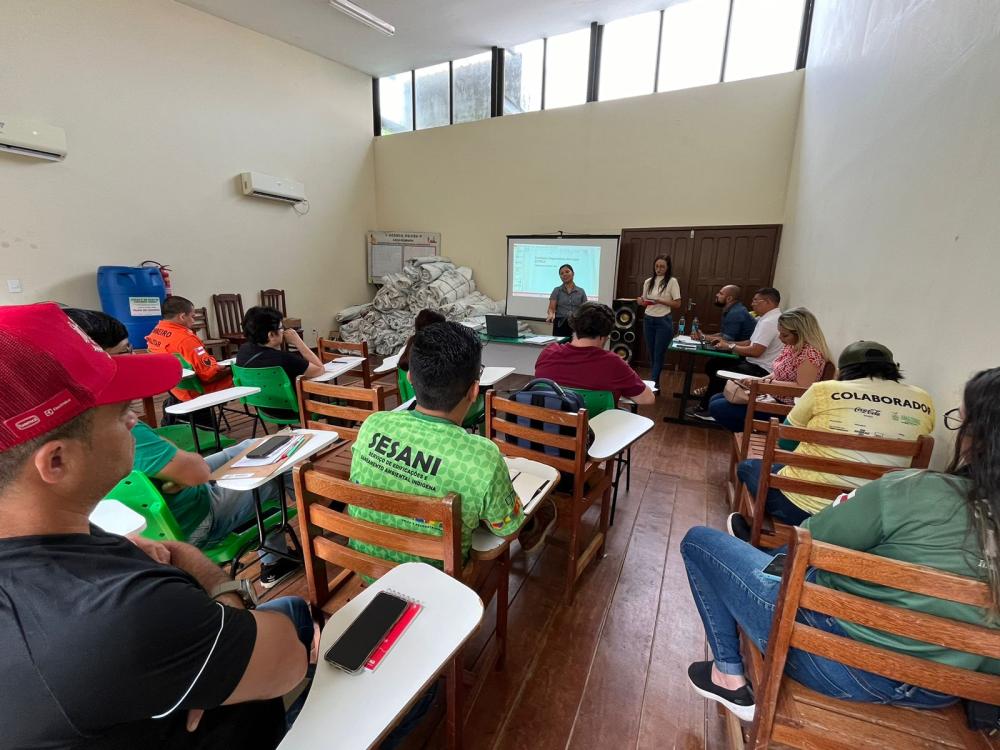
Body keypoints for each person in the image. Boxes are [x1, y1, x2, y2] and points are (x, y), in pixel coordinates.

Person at [0, 303, 313, 749]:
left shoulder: (57, 551)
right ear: (57, 460)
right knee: (299, 620)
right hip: (255, 683)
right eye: (119, 411)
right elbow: (285, 661)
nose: (136, 419)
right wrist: (204, 573)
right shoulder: (122, 612)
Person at [681, 366, 1000, 722]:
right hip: (941, 690)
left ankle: (727, 673)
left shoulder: (915, 490)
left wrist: (842, 509)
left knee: (700, 542)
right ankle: (761, 564)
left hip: (838, 666)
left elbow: (813, 537)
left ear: (979, 437)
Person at [68, 308, 299, 588]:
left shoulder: (68, 429)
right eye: (125, 351)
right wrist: (183, 470)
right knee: (278, 468)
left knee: (257, 445)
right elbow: (196, 472)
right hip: (194, 519)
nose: (134, 357)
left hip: (164, 505)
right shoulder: (117, 428)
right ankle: (276, 560)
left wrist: (175, 474)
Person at [350, 321, 556, 561]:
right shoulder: (482, 457)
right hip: (441, 583)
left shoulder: (373, 425)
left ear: (409, 377)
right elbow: (508, 530)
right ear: (474, 390)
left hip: (367, 566)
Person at [728, 341, 935, 539]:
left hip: (803, 505)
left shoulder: (824, 390)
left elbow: (786, 442)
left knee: (748, 467)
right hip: (873, 517)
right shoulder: (923, 398)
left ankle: (758, 535)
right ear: (893, 369)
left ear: (844, 370)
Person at [705, 307, 831, 430]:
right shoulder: (792, 346)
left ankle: (755, 433)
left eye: (785, 335)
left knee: (718, 407)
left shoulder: (810, 355)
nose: (780, 338)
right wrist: (759, 381)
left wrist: (763, 384)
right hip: (773, 396)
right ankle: (750, 431)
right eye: (780, 333)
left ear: (801, 333)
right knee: (716, 398)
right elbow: (777, 372)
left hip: (785, 408)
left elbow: (801, 388)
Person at [535, 302, 655, 405]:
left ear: (573, 326)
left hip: (550, 427)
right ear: (604, 337)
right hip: (595, 429)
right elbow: (648, 399)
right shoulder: (613, 363)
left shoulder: (548, 352)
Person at [692, 287, 783, 418]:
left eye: (756, 300)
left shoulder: (770, 322)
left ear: (767, 302)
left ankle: (709, 411)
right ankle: (709, 400)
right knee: (714, 364)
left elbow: (756, 351)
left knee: (719, 370)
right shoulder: (765, 319)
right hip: (753, 363)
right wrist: (727, 345)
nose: (752, 304)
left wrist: (731, 346)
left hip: (760, 369)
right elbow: (749, 342)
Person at [236, 305, 324, 421]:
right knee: (339, 401)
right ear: (271, 335)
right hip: (295, 410)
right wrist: (298, 341)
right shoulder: (284, 359)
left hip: (264, 409)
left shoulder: (242, 351)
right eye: (281, 328)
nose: (284, 331)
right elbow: (319, 369)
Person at [146, 295, 233, 401]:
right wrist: (232, 369)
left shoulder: (155, 332)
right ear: (182, 316)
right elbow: (209, 376)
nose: (193, 320)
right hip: (196, 391)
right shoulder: (186, 340)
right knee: (245, 375)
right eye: (192, 316)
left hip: (175, 387)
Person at [638, 255, 681, 391]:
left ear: (667, 267)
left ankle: (652, 385)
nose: (659, 269)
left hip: (663, 320)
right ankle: (655, 385)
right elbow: (645, 302)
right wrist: (641, 302)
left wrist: (661, 300)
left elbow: (677, 303)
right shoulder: (648, 281)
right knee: (651, 353)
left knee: (659, 354)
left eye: (662, 266)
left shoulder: (672, 281)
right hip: (648, 319)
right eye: (657, 266)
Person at [546, 264, 588, 338]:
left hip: (577, 324)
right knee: (561, 347)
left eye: (567, 272)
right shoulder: (556, 290)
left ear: (573, 273)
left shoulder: (581, 291)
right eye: (561, 273)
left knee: (576, 347)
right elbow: (551, 308)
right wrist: (551, 314)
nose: (564, 274)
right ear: (560, 277)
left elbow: (585, 309)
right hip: (560, 323)